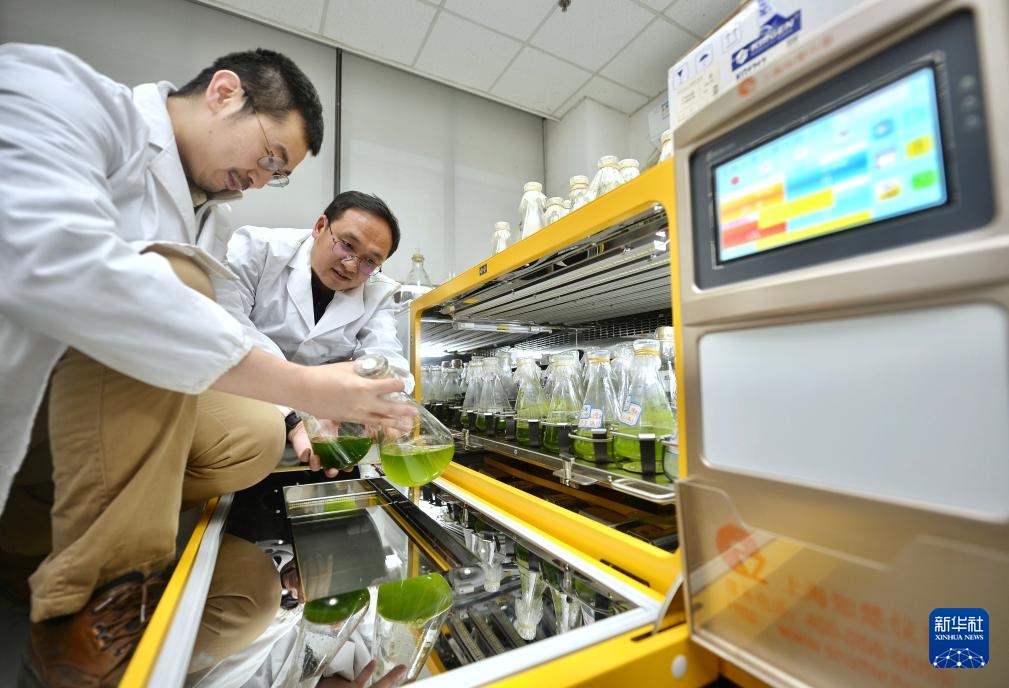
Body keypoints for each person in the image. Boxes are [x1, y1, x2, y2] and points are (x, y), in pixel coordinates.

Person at [0, 44, 415, 687]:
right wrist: (304, 394)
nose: (260, 180)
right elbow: (57, 262)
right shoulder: (60, 93)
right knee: (195, 310)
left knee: (252, 541)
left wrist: (350, 394)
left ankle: (102, 578)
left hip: (113, 452)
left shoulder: (205, 216)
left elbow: (387, 359)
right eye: (270, 157)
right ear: (224, 92)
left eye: (277, 174)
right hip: (33, 418)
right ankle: (96, 603)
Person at [216, 191, 411, 477]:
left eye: (370, 261)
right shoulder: (258, 249)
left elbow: (385, 357)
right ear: (320, 226)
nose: (351, 265)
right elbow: (228, 328)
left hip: (325, 432)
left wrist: (387, 406)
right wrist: (293, 416)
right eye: (347, 245)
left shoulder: (377, 291)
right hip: (245, 407)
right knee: (261, 438)